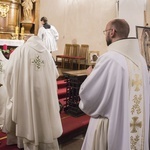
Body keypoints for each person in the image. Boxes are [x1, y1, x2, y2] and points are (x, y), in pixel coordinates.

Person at [79, 19, 150, 150]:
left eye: (105, 31)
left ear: (112, 32)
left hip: (110, 127)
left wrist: (90, 75)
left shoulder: (109, 59)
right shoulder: (141, 60)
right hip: (134, 128)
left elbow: (90, 96)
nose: (105, 34)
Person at [2, 36, 63, 150]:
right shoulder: (47, 53)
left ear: (26, 40)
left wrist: (12, 93)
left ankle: (26, 143)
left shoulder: (20, 51)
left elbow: (8, 73)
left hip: (26, 93)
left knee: (28, 117)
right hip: (44, 93)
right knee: (43, 116)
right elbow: (55, 74)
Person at [0, 50, 8, 129]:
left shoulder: (6, 62)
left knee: (3, 103)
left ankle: (2, 122)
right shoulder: (7, 62)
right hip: (3, 86)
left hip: (3, 86)